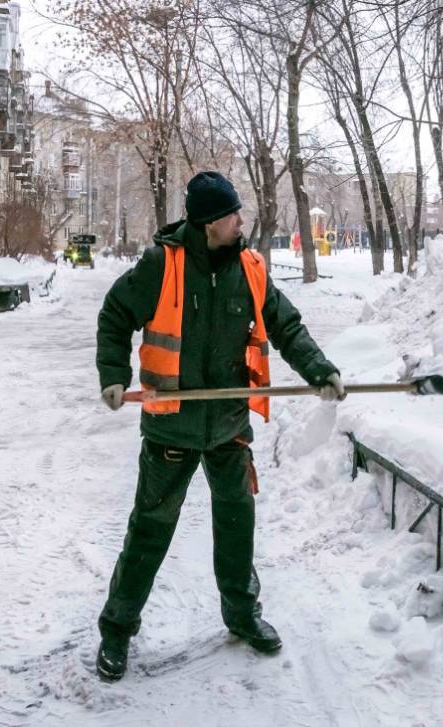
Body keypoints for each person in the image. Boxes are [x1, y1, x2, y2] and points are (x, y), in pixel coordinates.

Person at [95, 171, 345, 681]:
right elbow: (116, 315)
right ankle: (117, 629)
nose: (241, 221)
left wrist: (320, 371)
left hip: (228, 424)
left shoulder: (250, 268)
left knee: (237, 525)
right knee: (150, 530)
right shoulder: (160, 265)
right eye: (233, 214)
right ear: (212, 222)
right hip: (171, 429)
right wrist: (114, 376)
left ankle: (242, 613)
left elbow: (286, 325)